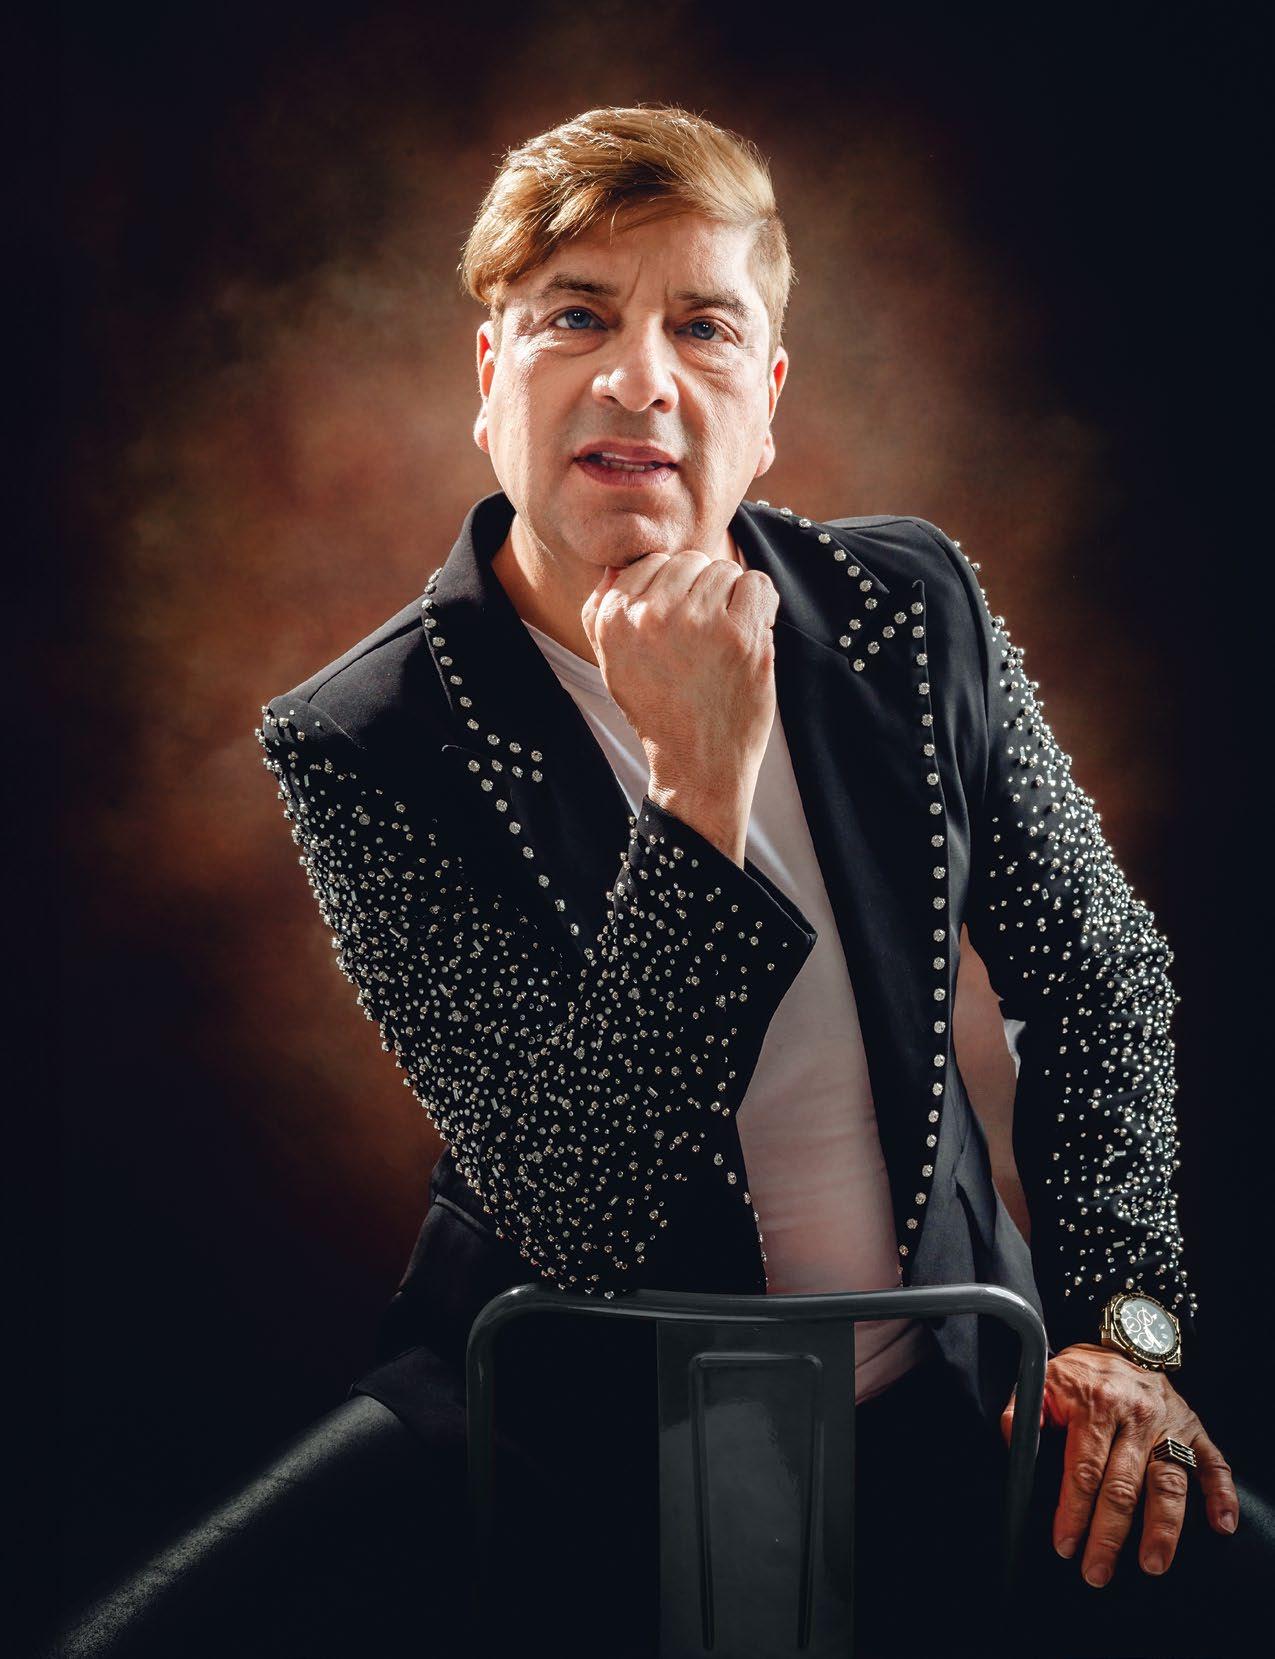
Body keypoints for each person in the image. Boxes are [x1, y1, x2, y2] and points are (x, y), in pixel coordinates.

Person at [55, 104, 1270, 1659]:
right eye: (577, 315)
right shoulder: (362, 738)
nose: (641, 376)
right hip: (553, 1433)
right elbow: (585, 1202)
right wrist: (702, 786)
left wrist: (1124, 1332)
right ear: (490, 375)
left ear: (765, 401)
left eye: (704, 325)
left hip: (970, 1381)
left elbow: (1098, 971)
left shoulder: (910, 606)